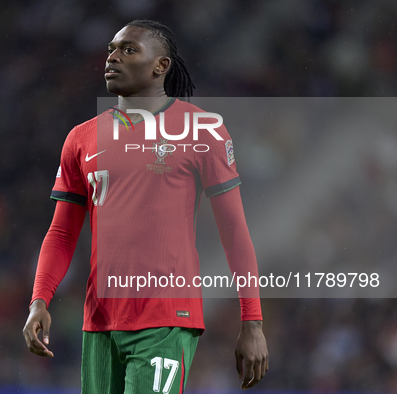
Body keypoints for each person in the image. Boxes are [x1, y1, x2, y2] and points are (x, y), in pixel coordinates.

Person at [23, 20, 268, 393]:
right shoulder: (81, 138)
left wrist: (252, 322)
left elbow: (234, 231)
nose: (113, 57)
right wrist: (39, 300)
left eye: (128, 49)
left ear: (161, 66)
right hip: (100, 322)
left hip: (166, 318)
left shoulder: (202, 130)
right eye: (111, 49)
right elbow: (61, 232)